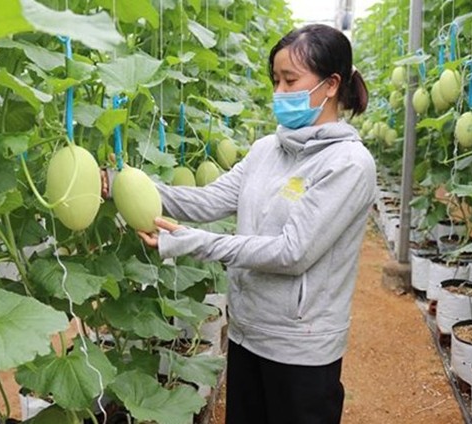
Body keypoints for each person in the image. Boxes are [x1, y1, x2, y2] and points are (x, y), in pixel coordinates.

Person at [104, 23, 375, 424]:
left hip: (301, 347)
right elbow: (211, 199)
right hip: (248, 333)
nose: (279, 93)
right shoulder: (268, 148)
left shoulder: (349, 164)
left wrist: (188, 242)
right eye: (276, 81)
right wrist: (122, 185)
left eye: (290, 81)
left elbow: (292, 252)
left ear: (331, 84)